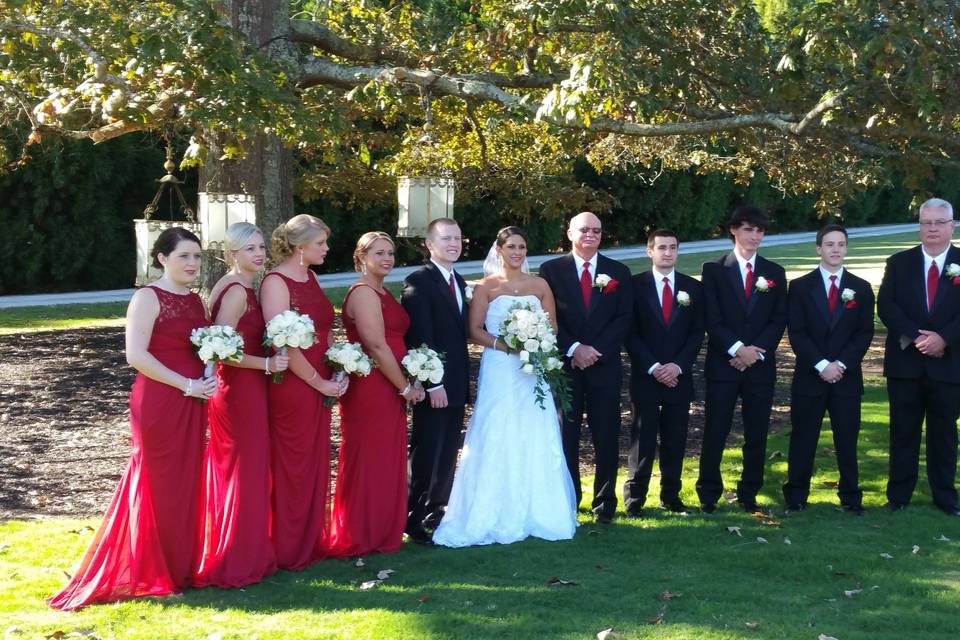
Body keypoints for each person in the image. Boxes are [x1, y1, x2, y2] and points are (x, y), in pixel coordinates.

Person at [49, 227, 217, 610]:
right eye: (183, 256)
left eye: (196, 257)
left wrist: (207, 376)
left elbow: (204, 346)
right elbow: (136, 356)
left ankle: (181, 569)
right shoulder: (147, 297)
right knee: (157, 483)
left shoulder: (195, 301)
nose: (192, 264)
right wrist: (188, 384)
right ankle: (149, 570)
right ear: (161, 259)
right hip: (161, 399)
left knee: (186, 483)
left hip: (194, 397)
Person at [433, 226, 577, 547]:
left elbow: (551, 325)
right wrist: (507, 344)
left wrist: (535, 338)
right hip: (500, 365)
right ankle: (490, 510)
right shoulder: (486, 286)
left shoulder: (539, 284)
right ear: (499, 250)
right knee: (497, 428)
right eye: (511, 246)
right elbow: (474, 330)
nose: (517, 252)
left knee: (535, 428)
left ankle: (542, 510)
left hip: (532, 367)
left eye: (522, 247)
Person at [193, 223, 288, 588]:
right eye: (250, 249)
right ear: (232, 254)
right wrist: (265, 364)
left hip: (248, 387)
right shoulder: (236, 291)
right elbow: (220, 350)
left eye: (261, 247)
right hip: (238, 390)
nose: (259, 254)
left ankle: (247, 549)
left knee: (245, 471)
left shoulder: (242, 285)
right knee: (244, 472)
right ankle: (237, 558)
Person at [329, 232, 425, 556]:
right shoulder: (363, 293)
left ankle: (383, 530)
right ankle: (360, 532)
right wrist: (403, 386)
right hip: (372, 385)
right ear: (361, 257)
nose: (386, 259)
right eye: (379, 253)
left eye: (390, 253)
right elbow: (376, 345)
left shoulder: (383, 291)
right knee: (368, 456)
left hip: (391, 382)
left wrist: (411, 376)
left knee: (386, 457)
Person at [261, 214, 347, 571]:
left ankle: (310, 540)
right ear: (299, 247)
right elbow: (282, 344)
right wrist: (319, 381)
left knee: (313, 461)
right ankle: (286, 547)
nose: (326, 249)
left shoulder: (310, 276)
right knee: (292, 464)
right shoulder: (276, 282)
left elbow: (324, 329)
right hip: (294, 384)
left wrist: (339, 362)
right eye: (320, 244)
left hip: (320, 378)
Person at [539, 212, 633, 523]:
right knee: (567, 434)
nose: (590, 235)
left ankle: (605, 502)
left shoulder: (618, 271)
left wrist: (596, 351)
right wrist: (574, 348)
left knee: (606, 435)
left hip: (604, 367)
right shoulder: (550, 271)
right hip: (566, 367)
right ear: (569, 233)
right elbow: (548, 318)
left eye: (596, 231)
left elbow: (624, 319)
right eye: (584, 230)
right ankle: (568, 499)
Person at [696, 206, 787, 514]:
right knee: (716, 430)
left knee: (757, 431)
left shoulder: (774, 272)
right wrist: (737, 350)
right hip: (724, 365)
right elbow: (712, 317)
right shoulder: (714, 269)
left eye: (760, 231)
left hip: (760, 366)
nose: (755, 236)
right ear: (734, 230)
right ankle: (708, 493)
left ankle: (749, 492)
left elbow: (778, 320)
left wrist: (755, 351)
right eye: (749, 229)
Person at [877, 197, 960, 516]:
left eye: (940, 222)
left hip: (949, 363)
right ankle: (898, 495)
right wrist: (916, 336)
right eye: (927, 223)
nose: (933, 229)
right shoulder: (899, 262)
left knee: (945, 433)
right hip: (905, 363)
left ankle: (945, 496)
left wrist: (944, 338)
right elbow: (886, 305)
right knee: (903, 432)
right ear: (920, 226)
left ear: (952, 225)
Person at [783, 224, 874, 515]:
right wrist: (822, 364)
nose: (836, 249)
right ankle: (796, 495)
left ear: (846, 249)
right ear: (819, 248)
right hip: (811, 376)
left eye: (841, 244)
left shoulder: (860, 287)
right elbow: (797, 332)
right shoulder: (799, 286)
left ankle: (850, 496)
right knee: (803, 438)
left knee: (847, 438)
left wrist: (841, 364)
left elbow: (863, 333)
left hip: (846, 378)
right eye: (830, 244)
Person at [623, 229, 705, 516]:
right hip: (646, 376)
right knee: (642, 440)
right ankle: (635, 499)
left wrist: (677, 366)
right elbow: (629, 333)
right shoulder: (634, 286)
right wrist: (654, 366)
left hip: (678, 377)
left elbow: (696, 333)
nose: (667, 252)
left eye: (672, 247)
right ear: (650, 252)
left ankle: (671, 496)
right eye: (661, 248)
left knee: (675, 440)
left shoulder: (693, 288)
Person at [401, 218, 470, 544]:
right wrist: (433, 385)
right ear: (430, 244)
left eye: (456, 238)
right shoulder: (419, 281)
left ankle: (436, 511)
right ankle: (412, 518)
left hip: (456, 382)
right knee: (427, 450)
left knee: (447, 453)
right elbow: (420, 337)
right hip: (435, 386)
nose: (453, 244)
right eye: (445, 239)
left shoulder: (458, 281)